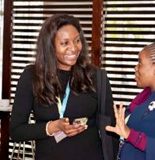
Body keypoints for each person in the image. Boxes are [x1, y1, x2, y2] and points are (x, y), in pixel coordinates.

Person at [10, 14, 118, 160]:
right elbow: (17, 131)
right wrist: (52, 127)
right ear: (50, 46)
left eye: (77, 41)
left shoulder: (96, 76)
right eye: (64, 43)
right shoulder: (32, 76)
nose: (73, 48)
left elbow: (110, 130)